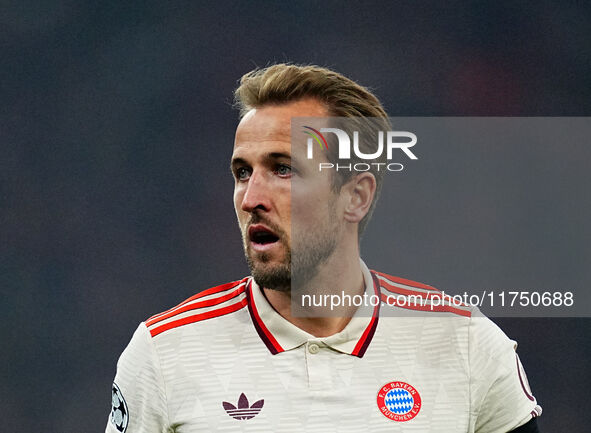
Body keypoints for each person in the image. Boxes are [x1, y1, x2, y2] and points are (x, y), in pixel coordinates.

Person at [106, 64, 542, 432]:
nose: (250, 197)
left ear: (355, 196)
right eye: (242, 172)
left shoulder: (467, 346)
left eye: (282, 169)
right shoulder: (164, 353)